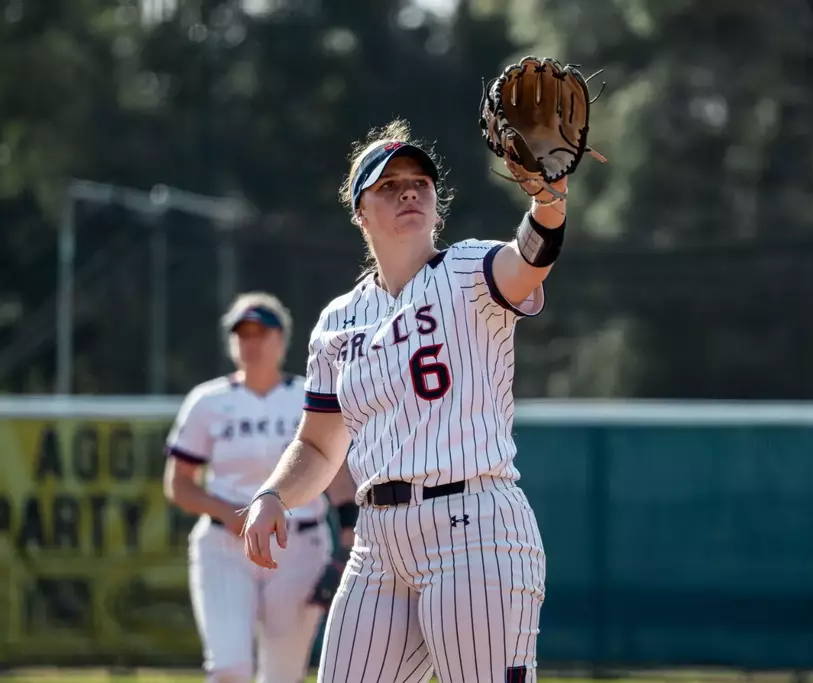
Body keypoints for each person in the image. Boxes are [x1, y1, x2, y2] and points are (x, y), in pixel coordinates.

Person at [240, 117, 564, 683]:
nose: (409, 190)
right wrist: (274, 494)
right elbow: (318, 447)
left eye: (420, 181)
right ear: (360, 212)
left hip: (474, 525)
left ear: (438, 203)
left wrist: (548, 205)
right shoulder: (338, 322)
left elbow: (528, 261)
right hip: (378, 543)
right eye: (388, 186)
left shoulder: (467, 270)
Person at [163, 291, 359, 683]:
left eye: (261, 332)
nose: (251, 342)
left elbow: (335, 472)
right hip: (225, 546)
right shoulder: (208, 401)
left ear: (282, 341)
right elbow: (178, 484)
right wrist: (226, 513)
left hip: (298, 544)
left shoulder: (308, 395)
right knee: (229, 669)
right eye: (243, 333)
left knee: (282, 675)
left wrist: (349, 533)